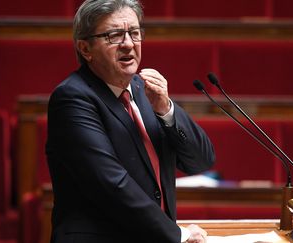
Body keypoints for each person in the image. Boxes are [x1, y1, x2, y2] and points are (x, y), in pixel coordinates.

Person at [45, 0, 215, 242]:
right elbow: (111, 184)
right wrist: (177, 234)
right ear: (85, 49)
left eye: (134, 33)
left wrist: (166, 109)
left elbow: (201, 160)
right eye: (114, 35)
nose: (128, 43)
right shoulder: (73, 98)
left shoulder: (143, 90)